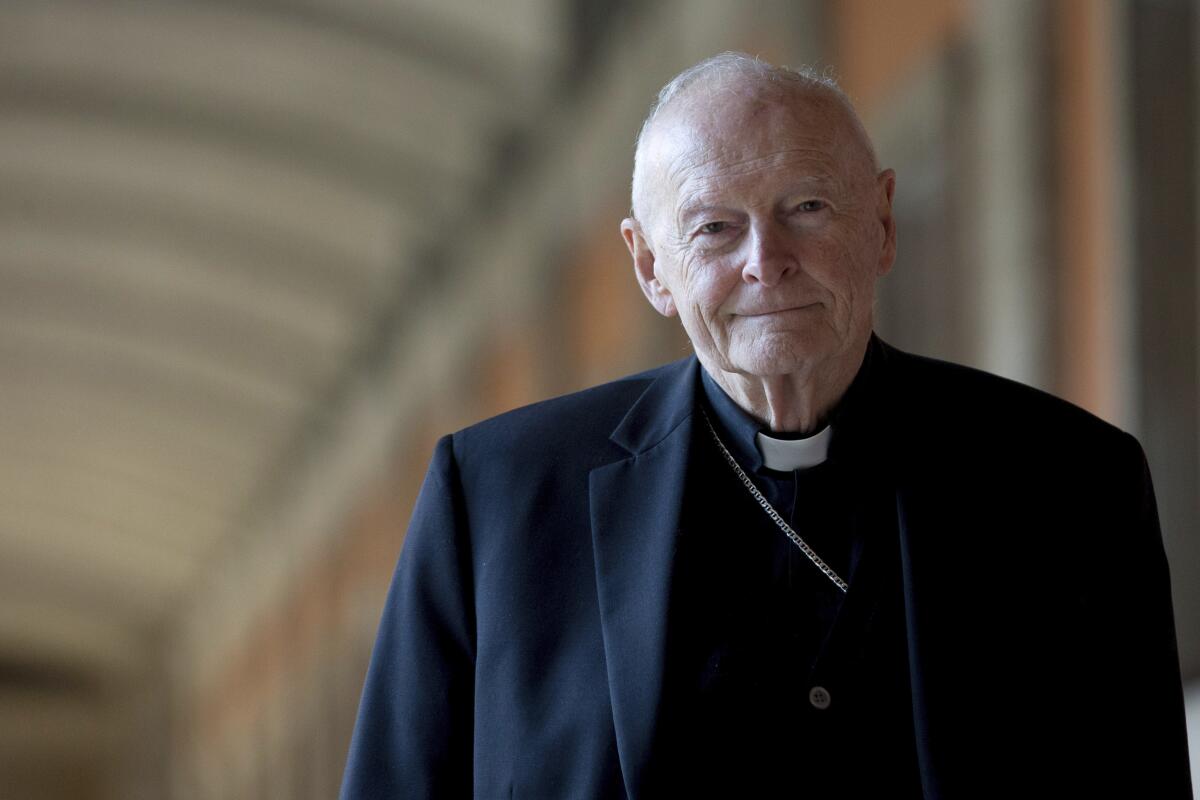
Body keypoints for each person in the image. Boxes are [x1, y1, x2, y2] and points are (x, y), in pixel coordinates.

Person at [341, 53, 1192, 799]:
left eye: (809, 207)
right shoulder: (494, 500)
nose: (766, 259)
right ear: (650, 266)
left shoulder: (1073, 482)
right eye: (714, 227)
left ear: (883, 222)